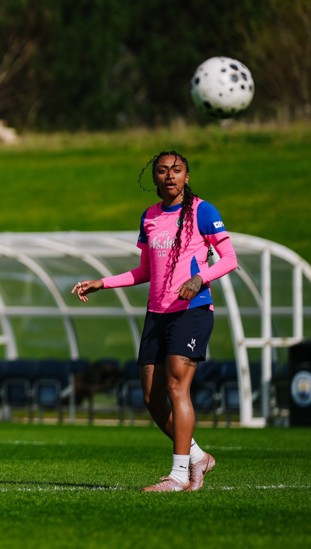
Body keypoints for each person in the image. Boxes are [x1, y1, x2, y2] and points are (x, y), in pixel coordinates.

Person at [72, 151, 238, 492]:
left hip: (191, 312)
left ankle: (178, 476)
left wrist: (200, 279)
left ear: (187, 176)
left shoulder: (202, 211)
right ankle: (197, 457)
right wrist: (103, 282)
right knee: (151, 397)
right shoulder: (149, 216)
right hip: (157, 314)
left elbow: (229, 259)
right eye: (162, 171)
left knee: (178, 387)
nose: (169, 176)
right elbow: (145, 270)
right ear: (155, 179)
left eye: (176, 170)